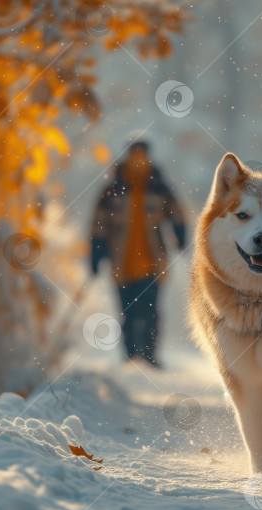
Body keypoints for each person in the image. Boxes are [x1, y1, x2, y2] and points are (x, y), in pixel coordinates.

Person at [89, 138, 186, 368]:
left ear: (148, 157)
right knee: (128, 312)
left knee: (151, 311)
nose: (139, 160)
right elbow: (99, 223)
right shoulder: (113, 189)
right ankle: (131, 356)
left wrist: (180, 234)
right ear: (128, 157)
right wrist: (96, 251)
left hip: (154, 261)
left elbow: (176, 212)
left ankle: (150, 356)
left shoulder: (158, 187)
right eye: (135, 155)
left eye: (142, 155)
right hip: (121, 262)